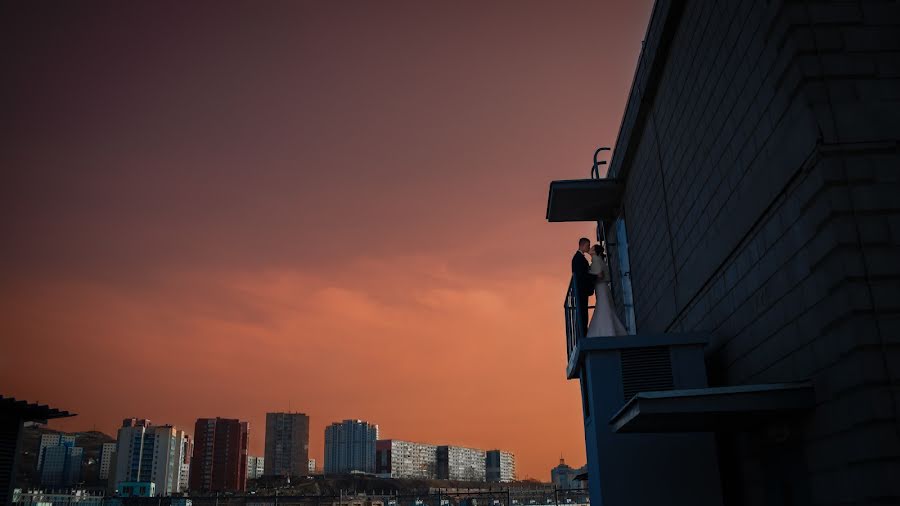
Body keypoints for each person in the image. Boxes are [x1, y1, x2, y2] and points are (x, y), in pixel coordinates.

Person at [586, 243, 628, 337]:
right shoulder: (599, 260)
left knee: (603, 307)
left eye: (592, 248)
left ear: (595, 251)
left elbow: (600, 275)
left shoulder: (596, 260)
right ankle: (611, 330)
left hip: (600, 287)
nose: (590, 248)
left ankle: (607, 332)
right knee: (605, 307)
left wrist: (589, 275)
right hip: (603, 287)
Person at [571, 238, 596, 337]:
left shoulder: (579, 258)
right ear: (583, 245)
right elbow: (582, 274)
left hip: (582, 289)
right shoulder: (578, 258)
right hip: (581, 290)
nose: (588, 247)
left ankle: (583, 333)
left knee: (583, 312)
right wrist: (593, 275)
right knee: (582, 312)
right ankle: (583, 334)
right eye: (588, 245)